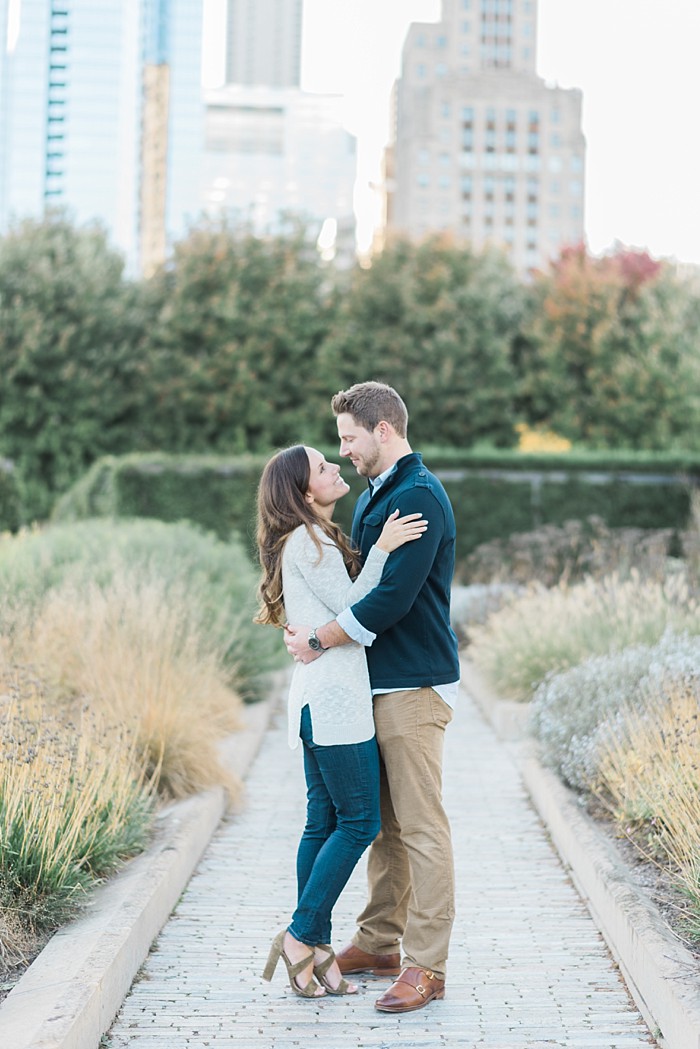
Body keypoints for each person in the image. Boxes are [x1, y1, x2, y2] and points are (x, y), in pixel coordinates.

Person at [284, 381, 460, 1014]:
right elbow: (356, 580)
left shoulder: (418, 497)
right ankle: (380, 941)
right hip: (367, 689)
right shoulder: (375, 497)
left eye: (348, 438)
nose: (345, 451)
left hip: (411, 687)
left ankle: (428, 966)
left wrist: (318, 638)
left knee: (421, 828)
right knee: (382, 828)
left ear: (382, 430)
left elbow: (388, 601)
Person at [255, 443, 427, 1000]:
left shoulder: (303, 540)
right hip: (334, 704)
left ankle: (318, 951)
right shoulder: (311, 541)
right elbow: (354, 606)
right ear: (306, 493)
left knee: (322, 820)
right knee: (359, 822)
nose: (335, 467)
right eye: (323, 468)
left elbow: (327, 614)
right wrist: (381, 549)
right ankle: (302, 935)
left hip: (315, 700)